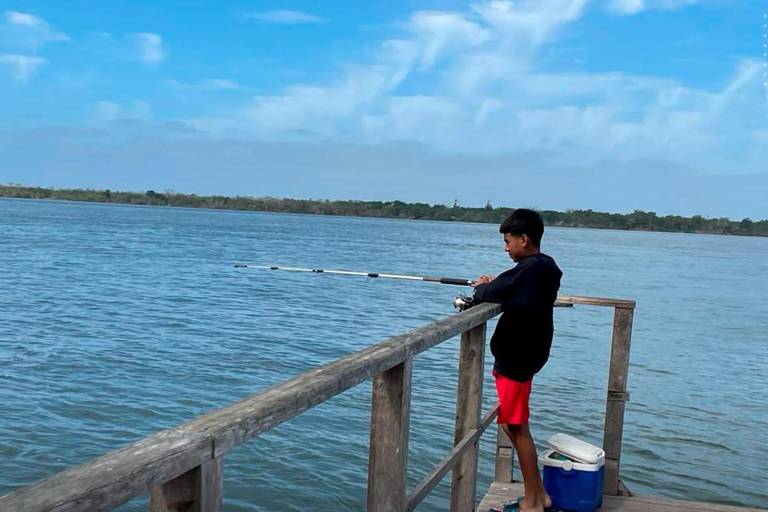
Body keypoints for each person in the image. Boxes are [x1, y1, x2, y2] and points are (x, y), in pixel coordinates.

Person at [472, 208, 562, 512]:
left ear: (524, 240)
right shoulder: (544, 267)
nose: (505, 247)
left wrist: (483, 286)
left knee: (516, 427)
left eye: (508, 241)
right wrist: (495, 283)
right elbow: (509, 286)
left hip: (515, 359)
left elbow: (493, 291)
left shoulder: (529, 270)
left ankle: (533, 503)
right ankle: (540, 495)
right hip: (529, 356)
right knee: (514, 425)